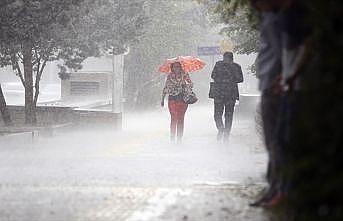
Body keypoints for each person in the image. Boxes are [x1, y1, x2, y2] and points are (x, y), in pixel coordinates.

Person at [209, 52, 243, 142]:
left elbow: (240, 79)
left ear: (231, 58)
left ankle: (226, 133)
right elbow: (213, 75)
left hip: (230, 95)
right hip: (219, 93)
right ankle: (221, 129)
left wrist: (230, 77)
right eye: (225, 58)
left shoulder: (236, 66)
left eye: (228, 58)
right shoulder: (218, 65)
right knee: (218, 114)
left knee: (228, 115)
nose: (226, 60)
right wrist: (222, 79)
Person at [161, 62, 193, 143]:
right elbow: (166, 87)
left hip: (182, 99)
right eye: (175, 67)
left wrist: (185, 84)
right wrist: (162, 99)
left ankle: (179, 138)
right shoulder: (169, 76)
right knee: (173, 117)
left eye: (178, 66)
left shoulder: (185, 75)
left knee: (181, 119)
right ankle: (172, 137)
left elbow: (190, 85)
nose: (177, 68)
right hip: (172, 99)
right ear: (172, 67)